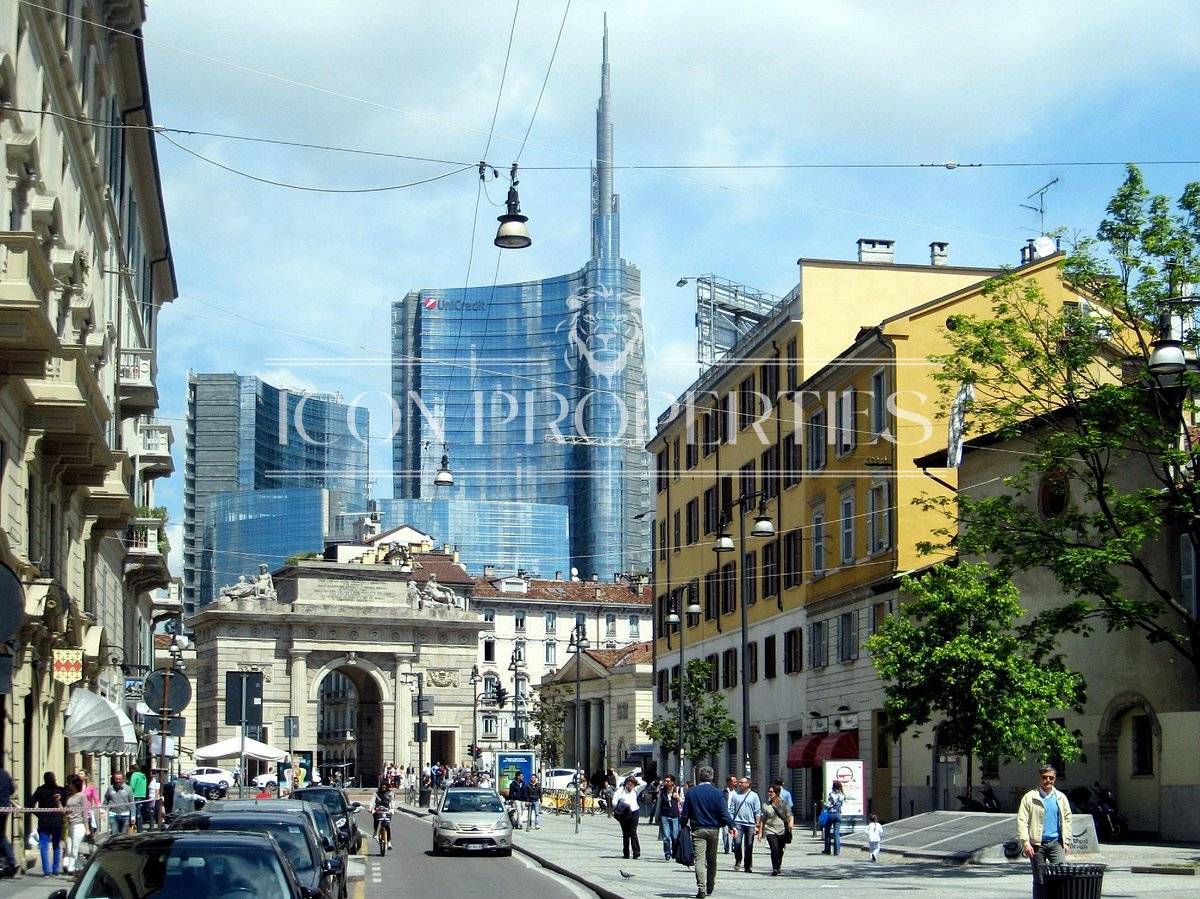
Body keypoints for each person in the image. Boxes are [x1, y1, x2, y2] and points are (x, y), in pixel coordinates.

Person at [1016, 765, 1073, 899]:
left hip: (1056, 843)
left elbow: (1067, 818)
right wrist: (1026, 843)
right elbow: (1022, 821)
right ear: (1039, 778)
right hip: (1037, 845)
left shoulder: (1061, 797)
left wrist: (1067, 841)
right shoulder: (1029, 797)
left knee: (1061, 875)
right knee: (1040, 880)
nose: (1047, 781)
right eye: (1044, 777)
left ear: (1055, 779)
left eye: (1051, 778)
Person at [681, 766, 734, 899]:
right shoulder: (718, 793)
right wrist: (731, 826)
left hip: (697, 829)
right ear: (712, 776)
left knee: (699, 860)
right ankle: (710, 886)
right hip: (713, 830)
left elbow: (685, 813)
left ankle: (701, 888)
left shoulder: (691, 792)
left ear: (700, 777)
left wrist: (682, 826)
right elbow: (724, 812)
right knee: (712, 860)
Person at [30, 772, 65, 877]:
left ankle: (47, 871)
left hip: (44, 821)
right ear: (54, 779)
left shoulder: (40, 790)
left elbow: (30, 805)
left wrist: (39, 814)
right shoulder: (60, 790)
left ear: (44, 780)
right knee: (56, 846)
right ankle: (55, 870)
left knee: (44, 846)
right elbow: (65, 805)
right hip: (57, 821)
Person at [756, 783, 792, 876]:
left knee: (780, 850)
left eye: (771, 792)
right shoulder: (765, 805)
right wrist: (760, 833)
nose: (769, 793)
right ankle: (775, 868)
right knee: (774, 848)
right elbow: (762, 820)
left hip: (782, 830)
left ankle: (778, 866)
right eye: (769, 791)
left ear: (777, 793)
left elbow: (789, 815)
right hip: (770, 830)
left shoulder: (784, 804)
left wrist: (790, 824)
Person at [728, 776, 761, 873]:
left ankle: (747, 865)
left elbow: (757, 811)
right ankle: (738, 860)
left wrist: (757, 825)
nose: (740, 784)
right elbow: (731, 810)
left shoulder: (754, 796)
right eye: (739, 782)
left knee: (749, 845)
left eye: (742, 782)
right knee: (737, 843)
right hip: (738, 823)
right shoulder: (735, 795)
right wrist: (730, 824)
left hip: (750, 824)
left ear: (748, 784)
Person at [64, 775, 93, 874]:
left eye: (70, 783)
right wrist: (58, 802)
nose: (68, 785)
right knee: (69, 847)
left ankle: (72, 869)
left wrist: (87, 828)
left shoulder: (82, 796)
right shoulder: (69, 796)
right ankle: (72, 867)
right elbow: (65, 811)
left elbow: (85, 812)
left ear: (74, 784)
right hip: (70, 824)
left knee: (74, 848)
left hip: (79, 825)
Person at [613, 775, 646, 860]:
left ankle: (636, 853)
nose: (629, 786)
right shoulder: (620, 791)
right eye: (628, 783)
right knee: (625, 833)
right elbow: (614, 801)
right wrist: (622, 805)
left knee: (633, 832)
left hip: (634, 812)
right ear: (625, 783)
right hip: (624, 813)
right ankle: (626, 853)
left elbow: (644, 784)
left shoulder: (636, 790)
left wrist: (635, 778)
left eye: (632, 784)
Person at [656, 774, 682, 861]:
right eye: (665, 781)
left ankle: (675, 852)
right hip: (665, 815)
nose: (665, 782)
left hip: (675, 816)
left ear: (672, 782)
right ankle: (667, 853)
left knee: (675, 836)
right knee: (666, 837)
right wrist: (657, 816)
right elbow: (659, 803)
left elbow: (683, 802)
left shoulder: (678, 790)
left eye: (668, 781)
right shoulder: (662, 791)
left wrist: (678, 798)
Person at [0, 764, 18, 878]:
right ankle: (8, 861)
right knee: (1, 835)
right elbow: (12, 788)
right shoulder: (6, 774)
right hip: (5, 807)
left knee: (1, 836)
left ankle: (11, 860)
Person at [822, 780, 845, 856]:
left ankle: (827, 850)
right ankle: (836, 851)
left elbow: (829, 805)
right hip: (838, 815)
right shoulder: (842, 795)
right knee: (836, 833)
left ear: (834, 786)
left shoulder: (832, 794)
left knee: (827, 832)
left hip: (830, 815)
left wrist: (824, 804)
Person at [373, 783, 393, 853]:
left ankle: (388, 841)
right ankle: (375, 832)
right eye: (382, 787)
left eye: (385, 787)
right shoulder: (376, 793)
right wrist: (371, 808)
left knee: (387, 825)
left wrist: (392, 809)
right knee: (376, 819)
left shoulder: (390, 794)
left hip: (387, 810)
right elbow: (372, 801)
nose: (384, 789)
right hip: (378, 810)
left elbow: (392, 802)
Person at [128, 765, 148, 831]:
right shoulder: (143, 776)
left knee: (133, 811)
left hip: (134, 795)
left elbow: (132, 786)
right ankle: (140, 827)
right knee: (139, 811)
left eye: (130, 769)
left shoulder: (134, 775)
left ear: (133, 769)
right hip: (142, 795)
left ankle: (133, 826)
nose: (130, 771)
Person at [721, 775, 737, 854]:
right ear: (729, 782)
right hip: (725, 814)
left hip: (734, 814)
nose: (736, 783)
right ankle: (726, 847)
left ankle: (734, 846)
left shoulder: (737, 793)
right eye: (734, 782)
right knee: (725, 832)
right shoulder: (723, 792)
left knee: (735, 830)